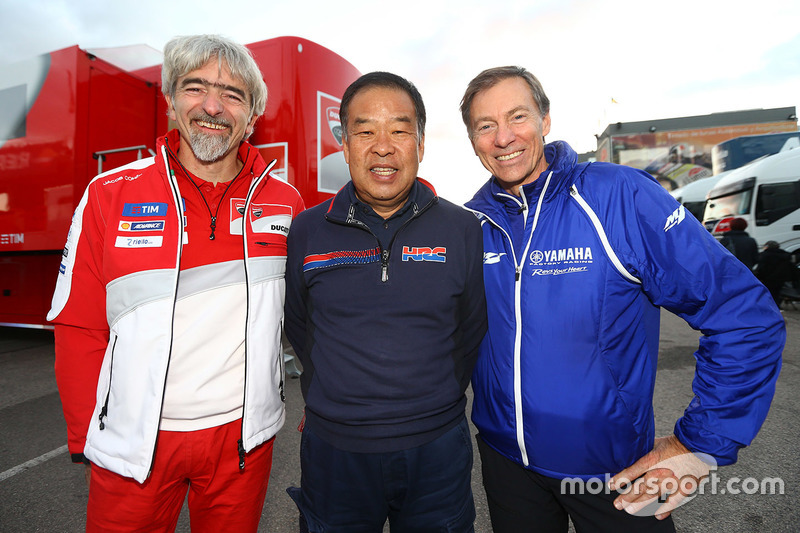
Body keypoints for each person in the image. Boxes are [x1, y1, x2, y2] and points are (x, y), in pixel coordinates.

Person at [459, 66, 785, 533]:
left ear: (545, 119)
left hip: (613, 471)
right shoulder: (472, 224)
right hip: (506, 464)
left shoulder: (619, 196)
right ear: (472, 139)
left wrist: (698, 444)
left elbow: (744, 316)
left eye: (517, 116)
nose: (504, 137)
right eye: (485, 126)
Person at [48, 34, 304, 532]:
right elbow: (77, 324)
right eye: (196, 87)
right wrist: (86, 441)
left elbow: (313, 315)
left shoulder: (285, 202)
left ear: (252, 116)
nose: (213, 106)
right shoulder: (108, 194)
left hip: (242, 442)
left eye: (233, 94)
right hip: (134, 445)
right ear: (170, 100)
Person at [284, 71, 487, 532]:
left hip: (437, 449)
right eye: (365, 131)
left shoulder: (461, 229)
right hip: (335, 453)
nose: (382, 146)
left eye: (398, 130)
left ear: (420, 142)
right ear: (345, 143)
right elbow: (299, 325)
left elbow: (471, 330)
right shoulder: (307, 231)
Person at [755, 240, 796, 307]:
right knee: (778, 292)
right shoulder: (785, 255)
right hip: (781, 278)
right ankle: (777, 305)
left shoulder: (765, 255)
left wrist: (758, 276)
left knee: (768, 292)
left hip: (767, 278)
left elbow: (761, 267)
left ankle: (768, 305)